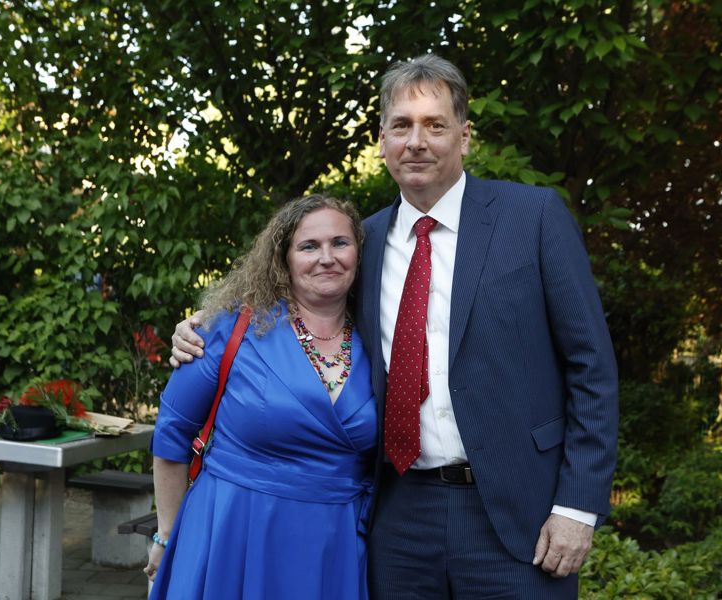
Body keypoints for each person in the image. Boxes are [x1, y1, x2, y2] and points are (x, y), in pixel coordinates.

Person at [172, 55, 618, 599]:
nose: (417, 142)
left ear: (464, 136)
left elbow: (591, 366)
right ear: (382, 140)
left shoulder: (532, 217)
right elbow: (296, 307)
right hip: (399, 516)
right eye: (402, 126)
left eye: (435, 125)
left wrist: (577, 506)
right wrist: (205, 325)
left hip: (519, 514)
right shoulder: (362, 243)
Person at [147, 195, 376, 599]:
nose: (327, 258)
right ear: (283, 259)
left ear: (359, 252)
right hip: (234, 530)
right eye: (309, 246)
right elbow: (172, 431)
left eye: (340, 243)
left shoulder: (380, 338)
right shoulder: (230, 329)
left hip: (332, 541)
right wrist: (166, 534)